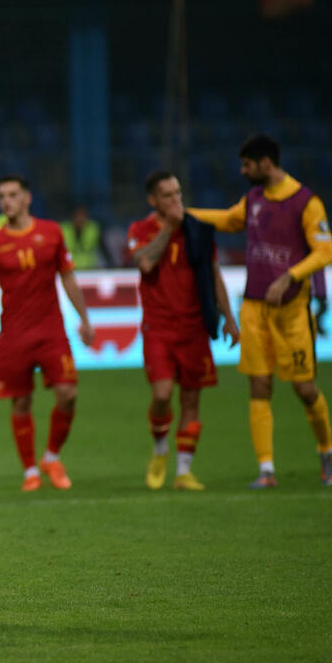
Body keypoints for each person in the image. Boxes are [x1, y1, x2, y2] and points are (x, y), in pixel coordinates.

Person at [188, 135, 332, 487]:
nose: (243, 171)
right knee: (259, 385)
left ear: (265, 163)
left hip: (292, 312)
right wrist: (185, 215)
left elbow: (326, 251)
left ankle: (328, 452)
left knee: (305, 389)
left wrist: (289, 277)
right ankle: (266, 470)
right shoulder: (254, 198)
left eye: (247, 165)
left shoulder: (305, 202)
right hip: (254, 308)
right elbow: (229, 219)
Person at [0, 176, 94, 491]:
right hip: (14, 333)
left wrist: (85, 319)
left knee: (68, 393)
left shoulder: (51, 233)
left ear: (27, 198)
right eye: (1, 196)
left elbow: (68, 278)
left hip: (51, 330)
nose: (6, 201)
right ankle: (30, 471)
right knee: (21, 401)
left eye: (12, 195)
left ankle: (51, 457)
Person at [129, 172, 241, 490]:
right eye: (167, 195)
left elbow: (214, 273)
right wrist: (168, 228)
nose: (175, 200)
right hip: (159, 328)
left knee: (191, 399)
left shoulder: (198, 229)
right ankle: (160, 449)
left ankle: (183, 471)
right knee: (162, 394)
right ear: (153, 200)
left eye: (178, 193)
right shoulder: (140, 230)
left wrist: (229, 318)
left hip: (194, 328)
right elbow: (145, 264)